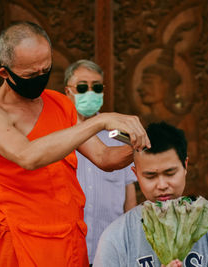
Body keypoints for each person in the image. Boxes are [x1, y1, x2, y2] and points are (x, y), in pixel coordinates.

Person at [0, 21, 150, 266]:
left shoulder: (58, 103)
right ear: (5, 73)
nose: (40, 78)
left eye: (45, 70)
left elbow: (105, 158)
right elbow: (28, 156)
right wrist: (100, 122)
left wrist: (141, 145)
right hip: (24, 242)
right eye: (31, 75)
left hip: (70, 239)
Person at [93, 122, 208, 267]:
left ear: (185, 166)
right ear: (136, 174)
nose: (162, 185)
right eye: (150, 176)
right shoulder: (117, 237)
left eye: (170, 173)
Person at [64, 59, 137, 265]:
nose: (90, 92)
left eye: (96, 87)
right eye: (81, 87)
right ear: (67, 91)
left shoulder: (118, 138)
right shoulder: (57, 136)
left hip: (110, 251)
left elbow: (130, 199)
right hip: (66, 251)